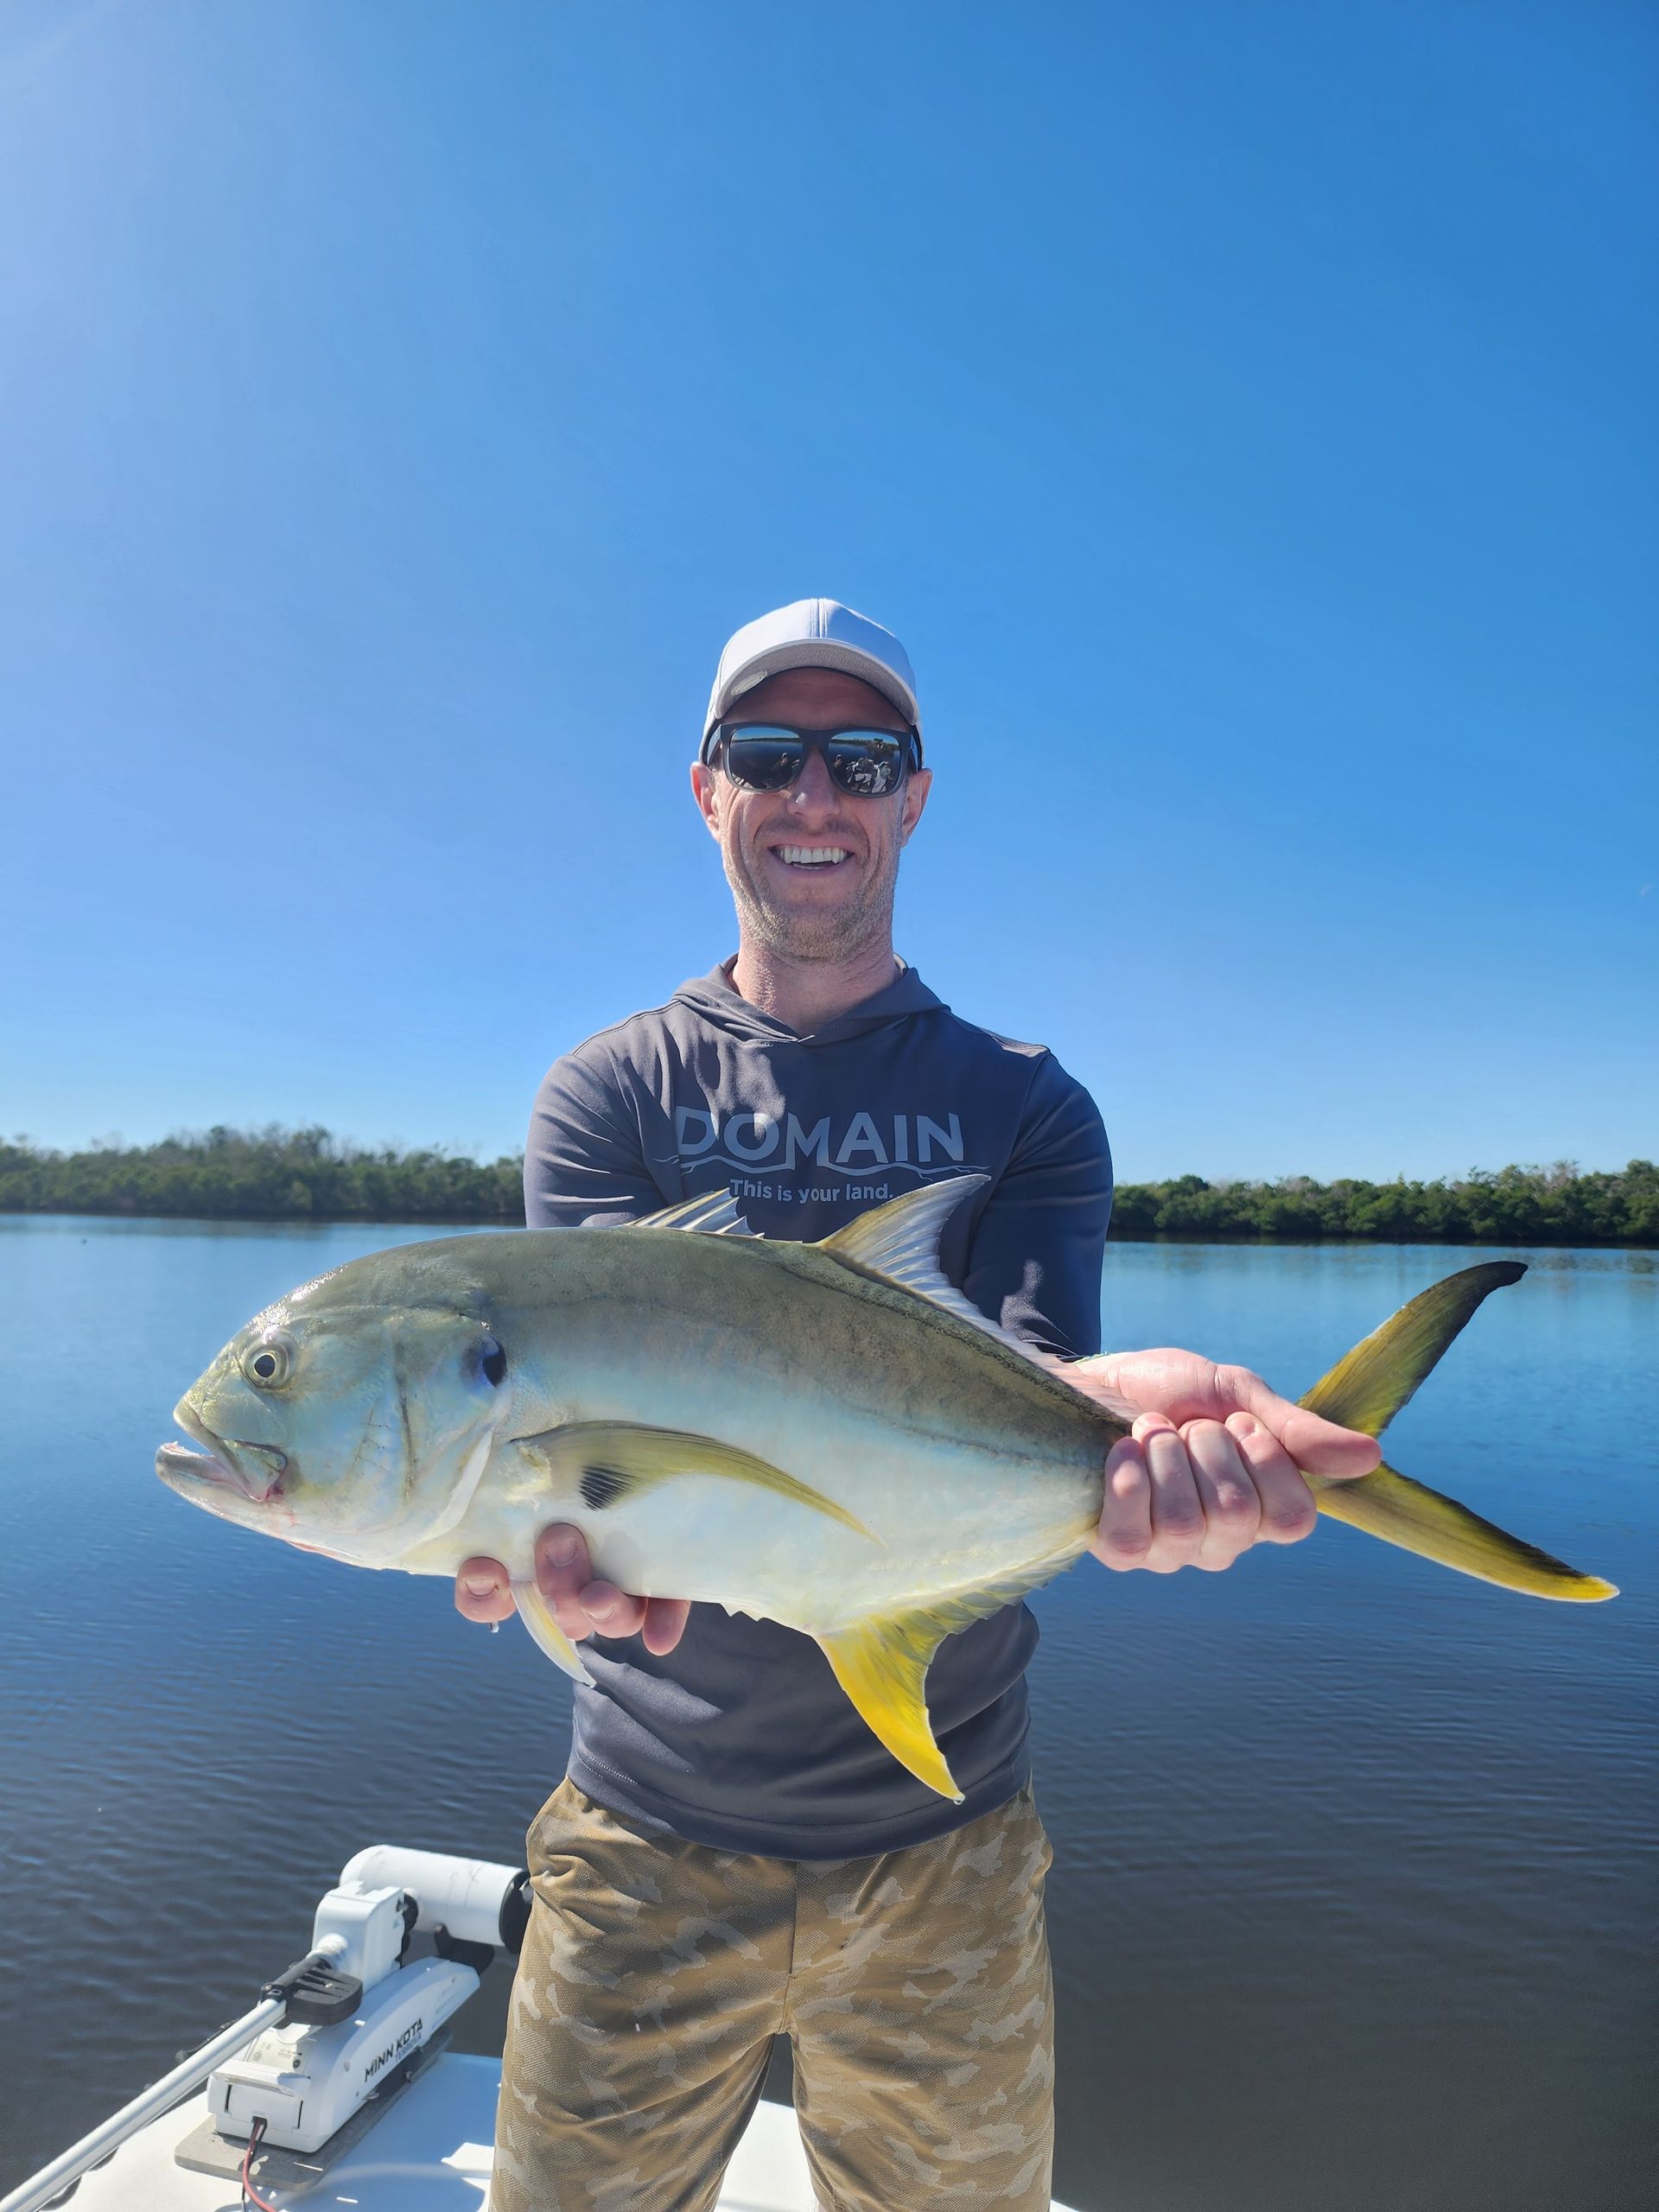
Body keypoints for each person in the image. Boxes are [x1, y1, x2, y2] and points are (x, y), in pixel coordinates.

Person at [458, 600, 1378, 2212]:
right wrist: (526, 1541)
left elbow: (1034, 1402)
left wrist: (1139, 1454)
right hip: (642, 1835)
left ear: (913, 797)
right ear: (708, 791)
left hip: (946, 1840)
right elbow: (592, 1448)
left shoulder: (1024, 1104)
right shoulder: (609, 1096)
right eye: (769, 754)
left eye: (859, 758)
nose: (815, 795)